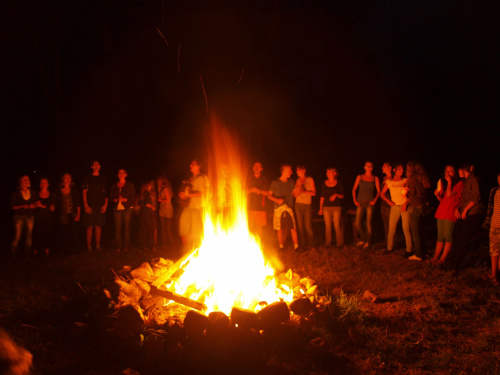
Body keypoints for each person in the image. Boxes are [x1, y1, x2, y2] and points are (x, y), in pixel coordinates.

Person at [449, 163, 483, 273]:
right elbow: (464, 199)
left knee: (463, 238)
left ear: (464, 169)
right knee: (456, 235)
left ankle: (456, 264)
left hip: (472, 213)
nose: (458, 172)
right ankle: (453, 260)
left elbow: (476, 197)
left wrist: (465, 210)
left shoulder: (473, 179)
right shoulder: (466, 181)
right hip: (465, 212)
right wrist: (457, 208)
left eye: (459, 170)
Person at [428, 166, 463, 264]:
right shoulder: (444, 184)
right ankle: (435, 257)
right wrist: (437, 195)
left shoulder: (459, 183)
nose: (447, 173)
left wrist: (450, 182)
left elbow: (449, 195)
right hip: (442, 210)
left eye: (450, 171)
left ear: (454, 173)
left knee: (448, 235)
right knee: (440, 235)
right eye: (446, 171)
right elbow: (443, 200)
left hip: (451, 211)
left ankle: (443, 258)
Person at [380, 163, 412, 253]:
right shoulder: (389, 182)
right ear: (394, 170)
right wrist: (389, 201)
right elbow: (381, 193)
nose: (402, 171)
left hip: (404, 206)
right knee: (391, 228)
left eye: (402, 169)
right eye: (400, 169)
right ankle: (389, 248)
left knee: (406, 228)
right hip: (395, 207)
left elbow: (410, 195)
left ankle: (409, 249)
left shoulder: (405, 181)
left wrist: (406, 204)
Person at [179, 159, 209, 251]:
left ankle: (196, 251)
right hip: (188, 207)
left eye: (193, 164)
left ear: (199, 166)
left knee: (196, 232)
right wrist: (183, 196)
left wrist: (188, 195)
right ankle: (186, 250)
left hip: (197, 207)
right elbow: (187, 192)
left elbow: (204, 193)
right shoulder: (190, 179)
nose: (190, 165)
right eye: (191, 164)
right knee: (183, 229)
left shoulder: (203, 178)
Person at [268, 164, 299, 251]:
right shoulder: (275, 182)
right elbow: (269, 195)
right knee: (279, 228)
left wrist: (299, 189)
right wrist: (277, 200)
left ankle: (296, 246)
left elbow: (295, 194)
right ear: (284, 171)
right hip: (278, 208)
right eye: (289, 171)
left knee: (293, 227)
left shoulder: (291, 182)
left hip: (289, 207)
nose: (291, 172)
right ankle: (281, 246)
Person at [405, 161, 431, 261]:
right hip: (423, 206)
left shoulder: (412, 179)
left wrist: (406, 192)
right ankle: (424, 252)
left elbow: (413, 194)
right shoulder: (423, 178)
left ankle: (418, 254)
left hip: (415, 206)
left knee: (415, 232)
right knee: (422, 231)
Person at [352, 161, 380, 248]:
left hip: (370, 202)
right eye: (367, 166)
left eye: (370, 166)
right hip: (360, 202)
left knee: (368, 223)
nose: (369, 167)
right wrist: (355, 200)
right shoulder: (360, 177)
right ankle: (363, 239)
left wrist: (375, 200)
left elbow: (379, 191)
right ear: (364, 167)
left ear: (372, 167)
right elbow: (354, 189)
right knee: (357, 223)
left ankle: (368, 241)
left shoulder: (375, 178)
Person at [82, 161, 108, 252]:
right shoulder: (87, 178)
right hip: (90, 205)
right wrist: (85, 205)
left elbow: (105, 192)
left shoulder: (103, 178)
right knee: (89, 226)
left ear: (100, 166)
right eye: (94, 165)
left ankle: (97, 245)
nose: (96, 166)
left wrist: (105, 204)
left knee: (98, 226)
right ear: (92, 166)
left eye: (98, 164)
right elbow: (84, 192)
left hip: (100, 205)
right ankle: (89, 246)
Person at [10, 175, 37, 258]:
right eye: (24, 180)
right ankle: (13, 255)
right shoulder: (16, 193)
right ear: (20, 182)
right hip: (19, 217)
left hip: (30, 216)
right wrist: (22, 206)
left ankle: (27, 255)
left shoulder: (32, 192)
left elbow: (36, 203)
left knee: (29, 236)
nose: (27, 181)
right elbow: (12, 206)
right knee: (17, 236)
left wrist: (33, 206)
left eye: (28, 179)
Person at [109, 169, 135, 252]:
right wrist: (115, 200)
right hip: (117, 209)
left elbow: (133, 197)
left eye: (123, 173)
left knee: (126, 228)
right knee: (117, 228)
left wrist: (125, 199)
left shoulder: (130, 185)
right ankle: (119, 247)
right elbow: (110, 197)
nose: (121, 174)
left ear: (126, 175)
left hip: (127, 208)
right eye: (120, 173)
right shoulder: (114, 185)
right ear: (118, 175)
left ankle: (126, 247)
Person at [319, 167, 344, 249]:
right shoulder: (324, 183)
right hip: (326, 207)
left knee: (336, 225)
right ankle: (328, 243)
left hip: (336, 207)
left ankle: (339, 244)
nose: (327, 174)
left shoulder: (338, 183)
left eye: (329, 172)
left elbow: (342, 196)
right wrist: (320, 208)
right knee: (328, 226)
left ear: (334, 173)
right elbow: (322, 196)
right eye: (327, 172)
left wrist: (336, 195)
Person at [56, 173, 81, 253]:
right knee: (65, 232)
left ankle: (74, 250)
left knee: (74, 233)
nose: (68, 179)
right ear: (63, 179)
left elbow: (78, 203)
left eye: (70, 177)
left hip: (73, 214)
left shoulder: (74, 190)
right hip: (63, 215)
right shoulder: (59, 191)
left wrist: (78, 215)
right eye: (66, 177)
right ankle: (65, 250)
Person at [482, 172, 500, 286]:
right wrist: (487, 221)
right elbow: (490, 207)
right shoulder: (494, 191)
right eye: (499, 179)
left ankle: (496, 276)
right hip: (495, 224)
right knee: (494, 250)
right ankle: (494, 274)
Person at [293, 165, 316, 250]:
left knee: (308, 226)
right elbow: (295, 195)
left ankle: (312, 245)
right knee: (300, 226)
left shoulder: (310, 179)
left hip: (307, 205)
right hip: (298, 205)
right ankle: (303, 245)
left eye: (298, 170)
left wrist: (305, 191)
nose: (297, 172)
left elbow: (314, 193)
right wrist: (298, 189)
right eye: (296, 171)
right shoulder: (298, 180)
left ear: (304, 170)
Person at [246, 161, 269, 240]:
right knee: (248, 227)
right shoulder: (248, 179)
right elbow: (241, 192)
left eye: (258, 166)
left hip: (261, 208)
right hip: (249, 207)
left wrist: (259, 191)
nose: (256, 167)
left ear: (261, 169)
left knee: (260, 228)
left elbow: (268, 193)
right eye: (255, 165)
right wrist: (251, 190)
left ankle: (259, 244)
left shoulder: (264, 179)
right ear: (253, 168)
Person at [33, 178, 56, 259]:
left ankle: (46, 253)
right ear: (40, 185)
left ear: (48, 185)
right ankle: (35, 253)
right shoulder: (36, 194)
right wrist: (36, 204)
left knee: (47, 234)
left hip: (48, 218)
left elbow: (53, 207)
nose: (43, 184)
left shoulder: (52, 194)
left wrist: (52, 207)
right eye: (41, 183)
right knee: (37, 235)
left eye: (45, 183)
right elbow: (33, 205)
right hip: (38, 218)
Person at [157, 174, 176, 253]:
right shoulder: (162, 189)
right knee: (163, 229)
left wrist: (161, 200)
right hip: (162, 210)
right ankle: (165, 245)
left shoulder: (166, 189)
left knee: (168, 228)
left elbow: (168, 200)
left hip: (167, 210)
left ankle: (173, 246)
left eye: (159, 181)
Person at [139, 180, 157, 251]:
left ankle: (143, 246)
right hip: (147, 214)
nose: (150, 187)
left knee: (144, 229)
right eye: (149, 185)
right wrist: (153, 207)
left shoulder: (142, 194)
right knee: (151, 229)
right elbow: (147, 204)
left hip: (142, 213)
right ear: (147, 187)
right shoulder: (147, 194)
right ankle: (152, 246)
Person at [380, 162, 393, 247]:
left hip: (389, 203)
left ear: (389, 168)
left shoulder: (392, 178)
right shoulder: (384, 178)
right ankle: (388, 242)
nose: (382, 168)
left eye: (384, 166)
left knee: (391, 224)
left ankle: (392, 243)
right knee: (385, 224)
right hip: (383, 204)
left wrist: (389, 201)